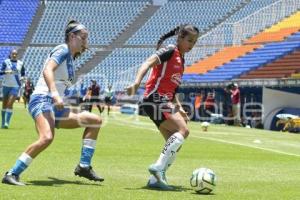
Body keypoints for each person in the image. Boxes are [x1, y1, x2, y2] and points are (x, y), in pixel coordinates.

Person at [2, 20, 104, 186]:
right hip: (43, 100)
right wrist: (55, 94)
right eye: (83, 37)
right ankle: (12, 173)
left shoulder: (70, 57)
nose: (86, 41)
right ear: (72, 36)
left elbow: (60, 82)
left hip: (55, 106)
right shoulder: (62, 49)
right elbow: (47, 70)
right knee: (46, 138)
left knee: (95, 121)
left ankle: (84, 166)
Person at [126, 24, 199, 190]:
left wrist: (179, 108)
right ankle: (158, 167)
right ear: (180, 38)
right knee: (184, 131)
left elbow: (172, 91)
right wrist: (137, 83)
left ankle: (156, 180)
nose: (191, 45)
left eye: (194, 42)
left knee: (174, 142)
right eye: (189, 40)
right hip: (155, 98)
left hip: (162, 100)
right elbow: (147, 62)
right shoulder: (170, 50)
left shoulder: (181, 60)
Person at [0, 49, 25, 129]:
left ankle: (7, 122)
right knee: (4, 104)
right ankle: (3, 121)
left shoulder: (20, 63)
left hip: (15, 86)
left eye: (15, 54)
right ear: (10, 54)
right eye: (13, 54)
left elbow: (23, 73)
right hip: (6, 85)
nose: (14, 55)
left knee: (10, 103)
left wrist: (22, 78)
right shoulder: (6, 62)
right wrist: (7, 72)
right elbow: (0, 72)